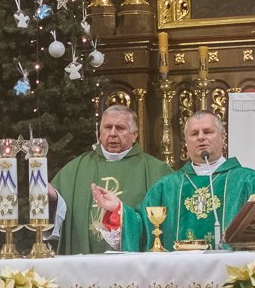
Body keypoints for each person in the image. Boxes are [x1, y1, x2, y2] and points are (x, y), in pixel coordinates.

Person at [95, 110, 255, 251]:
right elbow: (142, 227)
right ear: (186, 142)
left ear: (223, 138)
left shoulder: (248, 181)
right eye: (194, 134)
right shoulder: (167, 187)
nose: (201, 137)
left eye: (208, 132)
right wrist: (118, 210)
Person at [48, 105, 170, 255]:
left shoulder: (156, 170)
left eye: (120, 128)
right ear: (99, 133)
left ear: (134, 135)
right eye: (107, 127)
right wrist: (54, 199)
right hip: (85, 263)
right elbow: (56, 216)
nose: (112, 133)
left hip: (135, 265)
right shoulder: (75, 169)